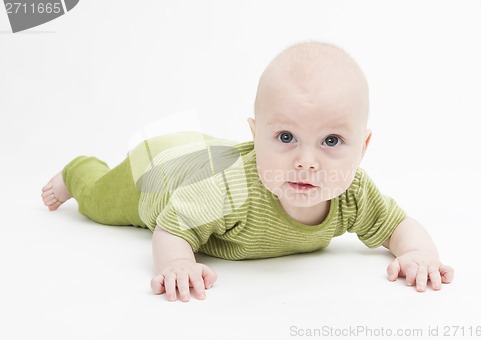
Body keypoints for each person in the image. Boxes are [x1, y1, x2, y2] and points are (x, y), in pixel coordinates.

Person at [41, 41, 454, 302]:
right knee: (98, 201)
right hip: (159, 172)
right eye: (286, 137)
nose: (306, 162)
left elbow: (398, 224)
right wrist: (177, 264)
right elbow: (171, 227)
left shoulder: (353, 193)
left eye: (331, 142)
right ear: (256, 136)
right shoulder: (229, 190)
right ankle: (77, 170)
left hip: (206, 151)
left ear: (362, 148)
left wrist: (418, 254)